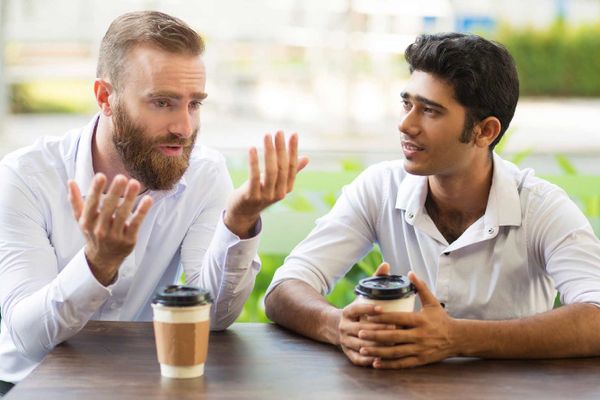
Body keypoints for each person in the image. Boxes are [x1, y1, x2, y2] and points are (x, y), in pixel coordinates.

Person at [0, 10, 308, 390]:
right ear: (105, 98)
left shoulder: (203, 174)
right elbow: (27, 336)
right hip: (28, 385)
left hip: (140, 382)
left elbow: (214, 317)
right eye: (162, 103)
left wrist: (239, 222)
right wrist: (97, 265)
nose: (184, 128)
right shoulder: (25, 177)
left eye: (194, 104)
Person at [265, 32, 600, 369]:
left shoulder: (542, 207)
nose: (406, 124)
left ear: (485, 131)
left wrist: (457, 337)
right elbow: (284, 289)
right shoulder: (380, 187)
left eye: (430, 111)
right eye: (407, 104)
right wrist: (339, 326)